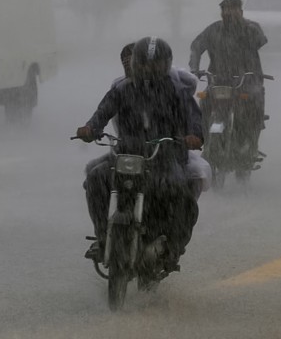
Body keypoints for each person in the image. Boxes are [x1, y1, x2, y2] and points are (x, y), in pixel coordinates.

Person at [77, 37, 203, 269]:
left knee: (181, 194)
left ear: (165, 64)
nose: (148, 69)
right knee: (95, 178)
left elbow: (194, 118)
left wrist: (194, 135)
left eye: (154, 64)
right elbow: (102, 113)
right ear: (136, 63)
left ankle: (172, 248)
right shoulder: (121, 90)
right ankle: (103, 237)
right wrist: (90, 128)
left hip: (165, 156)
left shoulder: (177, 92)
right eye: (143, 63)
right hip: (126, 154)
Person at [189, 0, 268, 150]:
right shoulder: (213, 30)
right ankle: (207, 139)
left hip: (247, 81)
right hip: (218, 81)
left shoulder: (251, 28)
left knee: (254, 104)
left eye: (233, 9)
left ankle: (249, 145)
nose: (229, 13)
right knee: (204, 103)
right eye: (225, 9)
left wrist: (243, 30)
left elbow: (259, 40)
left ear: (241, 11)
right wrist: (194, 68)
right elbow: (196, 47)